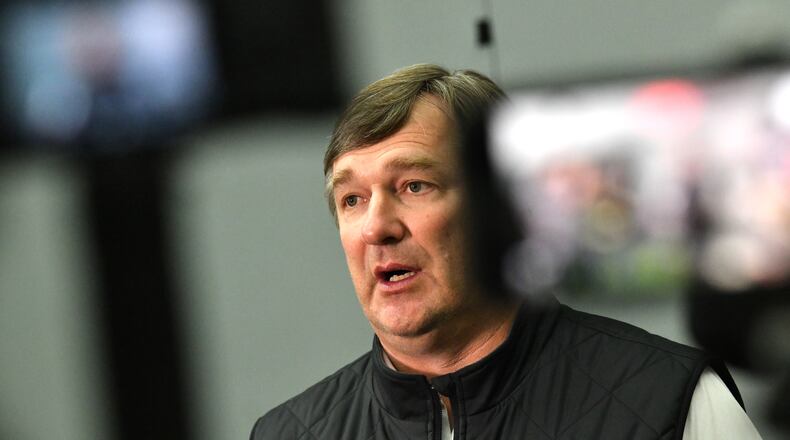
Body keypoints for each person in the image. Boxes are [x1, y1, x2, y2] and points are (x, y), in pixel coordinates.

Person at [250, 64, 762, 439]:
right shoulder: (288, 434)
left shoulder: (670, 403)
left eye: (413, 186)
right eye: (352, 199)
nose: (376, 228)